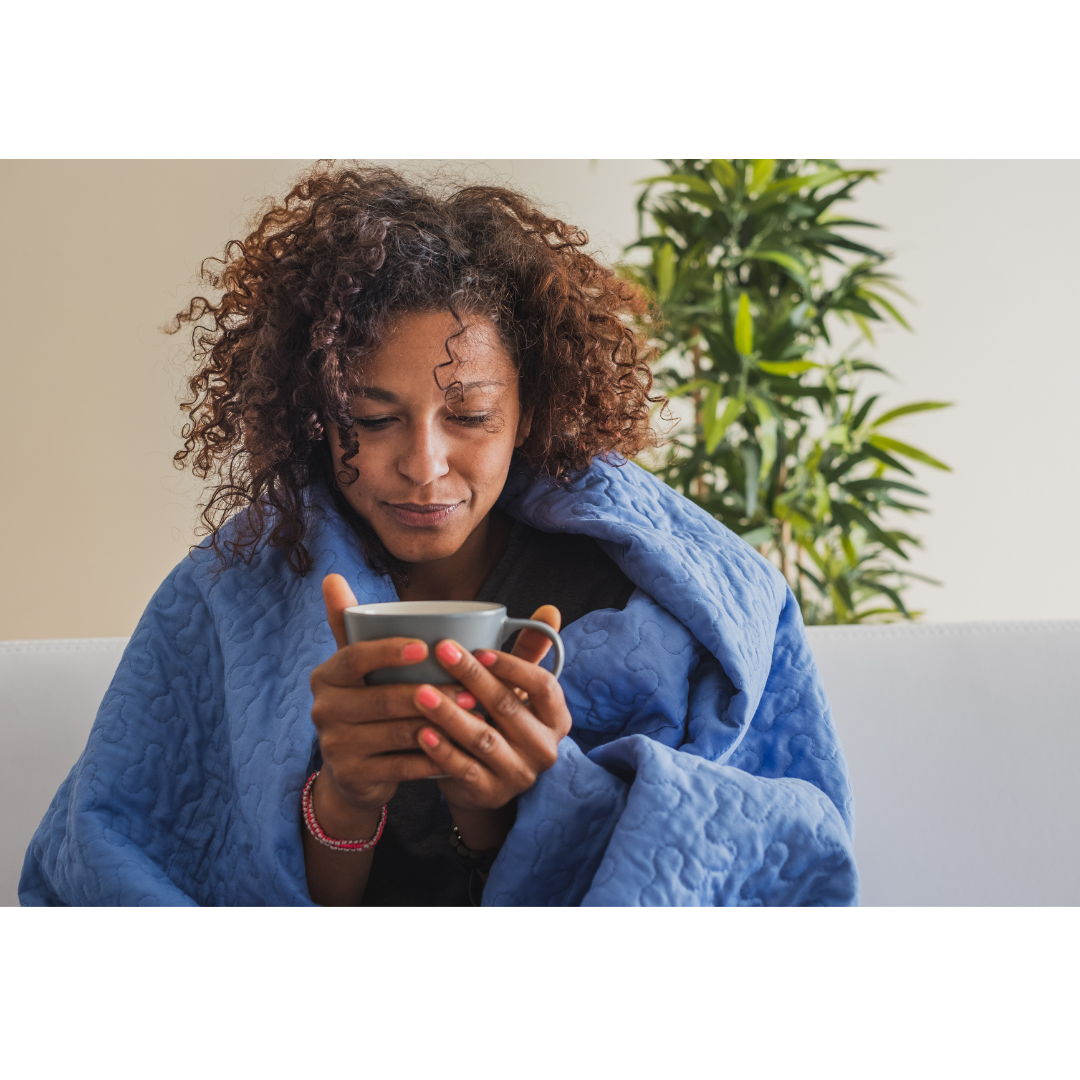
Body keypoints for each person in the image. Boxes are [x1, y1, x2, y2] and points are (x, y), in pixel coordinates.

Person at [20, 164, 858, 907]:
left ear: (531, 409)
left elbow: (763, 846)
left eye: (470, 416)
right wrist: (342, 798)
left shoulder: (644, 597)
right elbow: (122, 855)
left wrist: (521, 809)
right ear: (316, 415)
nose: (423, 465)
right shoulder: (235, 592)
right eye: (373, 418)